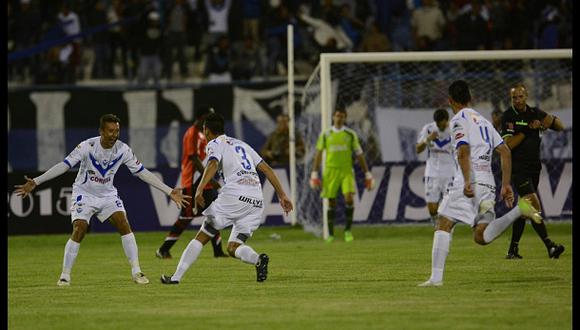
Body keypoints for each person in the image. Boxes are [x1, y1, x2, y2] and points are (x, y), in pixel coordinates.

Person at [14, 114, 190, 286]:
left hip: (107, 195)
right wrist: (36, 181)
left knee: (123, 223)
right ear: (101, 131)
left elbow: (142, 172)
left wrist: (168, 191)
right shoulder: (87, 146)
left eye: (117, 131)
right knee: (80, 228)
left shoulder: (123, 150)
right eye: (110, 131)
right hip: (84, 193)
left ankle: (137, 271)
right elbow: (64, 165)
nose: (114, 135)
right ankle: (65, 275)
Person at [418, 80, 542, 287]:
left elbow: (463, 151)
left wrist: (467, 181)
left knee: (444, 223)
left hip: (469, 182)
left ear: (450, 101)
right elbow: (505, 152)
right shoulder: (483, 121)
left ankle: (436, 279)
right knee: (481, 236)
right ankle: (519, 210)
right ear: (470, 98)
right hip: (488, 184)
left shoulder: (458, 120)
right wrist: (506, 185)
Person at [160, 113, 293, 284]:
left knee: (203, 235)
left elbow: (213, 163)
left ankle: (176, 277)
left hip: (235, 195)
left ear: (206, 131)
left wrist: (199, 189)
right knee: (233, 247)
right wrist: (282, 195)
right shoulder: (242, 144)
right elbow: (266, 169)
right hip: (256, 201)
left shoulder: (215, 143)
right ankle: (258, 259)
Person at [502, 83, 565, 259]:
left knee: (524, 209)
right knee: (532, 205)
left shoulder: (535, 113)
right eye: (514, 97)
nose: (517, 100)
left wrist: (549, 120)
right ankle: (550, 246)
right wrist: (526, 130)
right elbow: (507, 146)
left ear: (526, 96)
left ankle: (513, 250)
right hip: (518, 168)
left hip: (534, 168)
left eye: (520, 96)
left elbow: (560, 126)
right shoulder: (508, 116)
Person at [156, 106, 227, 259]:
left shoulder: (202, 134)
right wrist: (209, 178)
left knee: (213, 213)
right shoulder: (192, 133)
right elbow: (194, 159)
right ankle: (163, 249)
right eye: (209, 116)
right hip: (193, 181)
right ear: (201, 117)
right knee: (186, 216)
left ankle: (218, 251)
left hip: (202, 182)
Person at [309, 107, 375, 243]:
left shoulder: (350, 134)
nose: (339, 118)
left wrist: (367, 174)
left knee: (349, 198)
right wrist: (314, 174)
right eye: (337, 115)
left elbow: (359, 155)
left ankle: (348, 231)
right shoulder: (326, 134)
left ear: (345, 118)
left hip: (346, 171)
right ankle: (331, 234)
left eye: (342, 116)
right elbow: (318, 155)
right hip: (330, 171)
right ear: (333, 117)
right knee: (331, 201)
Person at [415, 108, 454, 226]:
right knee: (432, 208)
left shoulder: (454, 129)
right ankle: (435, 222)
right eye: (438, 124)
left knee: (449, 206)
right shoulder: (428, 129)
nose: (440, 127)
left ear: (447, 121)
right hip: (432, 172)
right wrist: (428, 139)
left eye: (442, 125)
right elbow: (418, 149)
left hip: (450, 173)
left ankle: (445, 229)